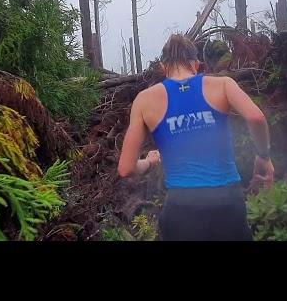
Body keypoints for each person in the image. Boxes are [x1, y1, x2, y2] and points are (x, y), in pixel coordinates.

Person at [117, 33, 274, 241]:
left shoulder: (144, 100)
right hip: (227, 201)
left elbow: (126, 168)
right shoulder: (223, 85)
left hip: (182, 207)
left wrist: (148, 161)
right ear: (196, 64)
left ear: (164, 68)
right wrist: (263, 155)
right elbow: (255, 117)